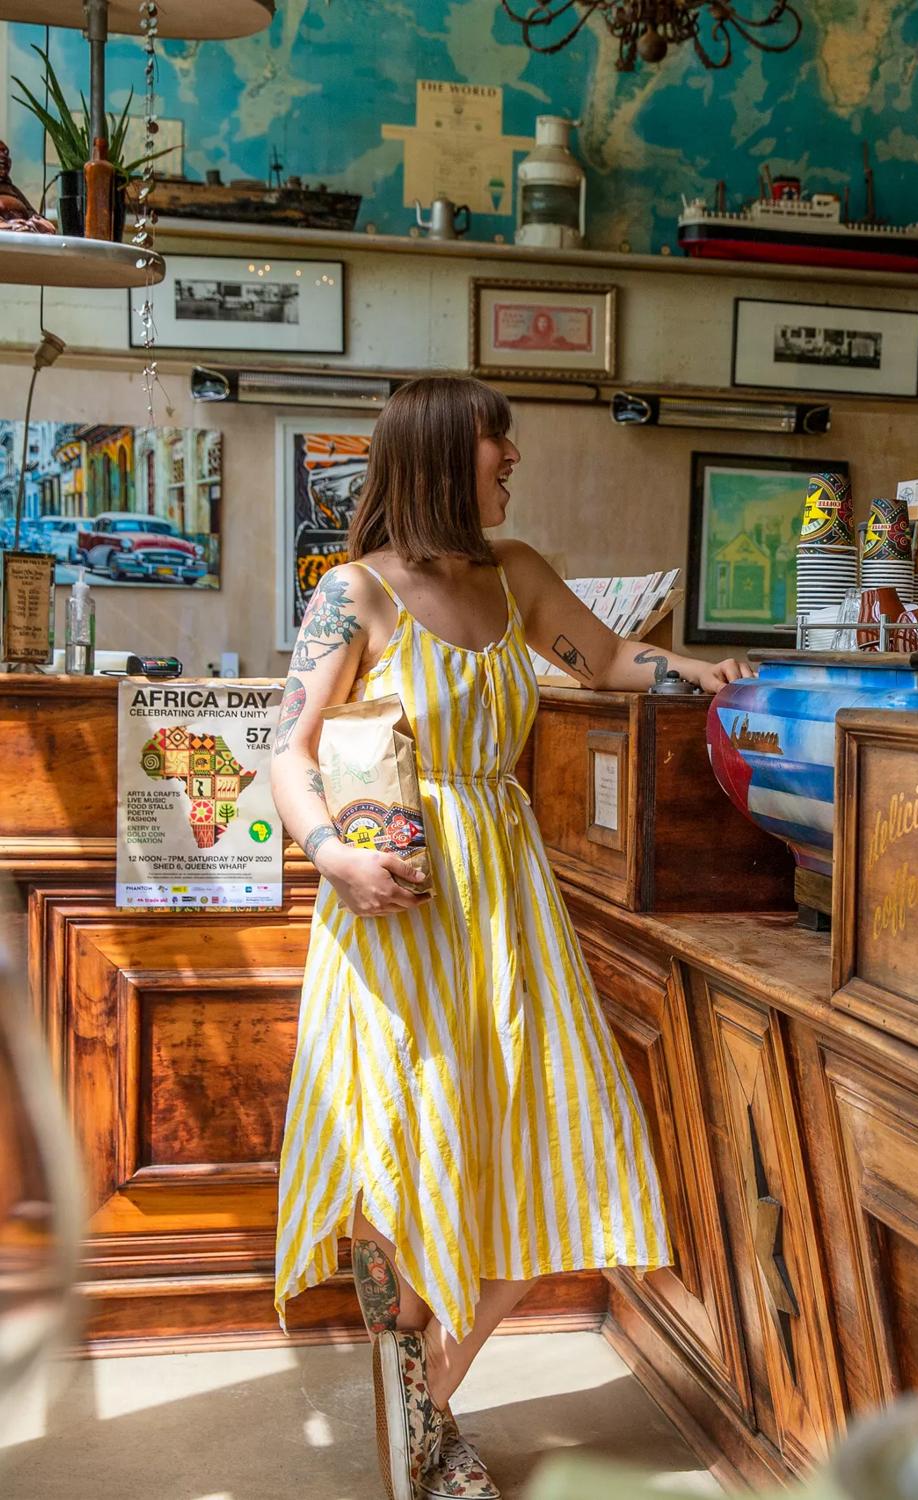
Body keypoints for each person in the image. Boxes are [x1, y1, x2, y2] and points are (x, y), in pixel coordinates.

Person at [270, 375, 750, 1500]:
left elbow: (608, 660)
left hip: (506, 900)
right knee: (402, 1149)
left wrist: (696, 670)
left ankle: (424, 1402)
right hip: (396, 904)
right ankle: (416, 1419)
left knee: (541, 1139)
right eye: (499, 445)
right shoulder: (356, 593)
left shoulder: (518, 571)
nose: (512, 462)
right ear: (444, 453)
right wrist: (332, 857)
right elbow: (286, 753)